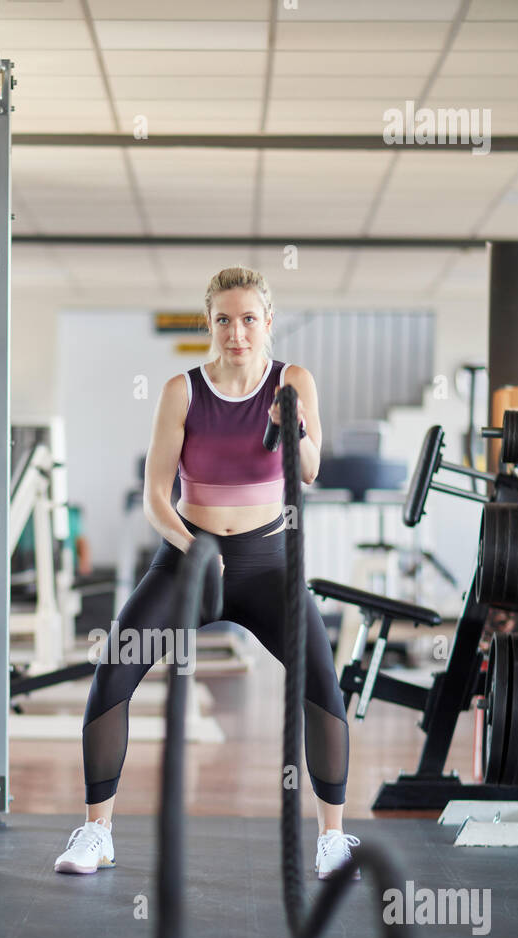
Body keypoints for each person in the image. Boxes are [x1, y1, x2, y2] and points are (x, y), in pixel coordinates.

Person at [55, 265, 360, 880]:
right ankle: (97, 831)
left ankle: (333, 837)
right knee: (113, 673)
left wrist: (290, 423)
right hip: (188, 558)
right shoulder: (182, 391)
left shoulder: (293, 380)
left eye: (249, 319)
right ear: (210, 324)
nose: (237, 332)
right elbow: (154, 498)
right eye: (224, 320)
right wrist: (195, 547)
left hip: (268, 563)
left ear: (268, 322)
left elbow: (309, 470)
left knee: (322, 684)